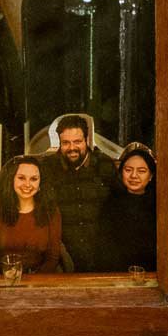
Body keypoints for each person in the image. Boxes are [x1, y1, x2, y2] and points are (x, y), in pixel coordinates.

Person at [34, 114, 118, 271]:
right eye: (66, 143)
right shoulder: (48, 168)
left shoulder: (104, 165)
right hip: (63, 259)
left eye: (77, 142)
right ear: (59, 143)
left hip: (101, 257)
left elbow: (118, 210)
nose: (72, 148)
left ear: (87, 140)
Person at [0, 155, 63, 276]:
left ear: (40, 183)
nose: (27, 184)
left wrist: (34, 283)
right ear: (12, 179)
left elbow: (53, 257)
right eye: (21, 178)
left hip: (38, 280)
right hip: (0, 279)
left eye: (33, 179)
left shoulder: (51, 212)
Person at [100, 143, 157, 273]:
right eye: (128, 170)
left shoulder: (159, 206)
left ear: (151, 176)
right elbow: (104, 249)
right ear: (121, 172)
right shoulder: (111, 204)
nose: (134, 176)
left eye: (141, 171)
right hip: (117, 276)